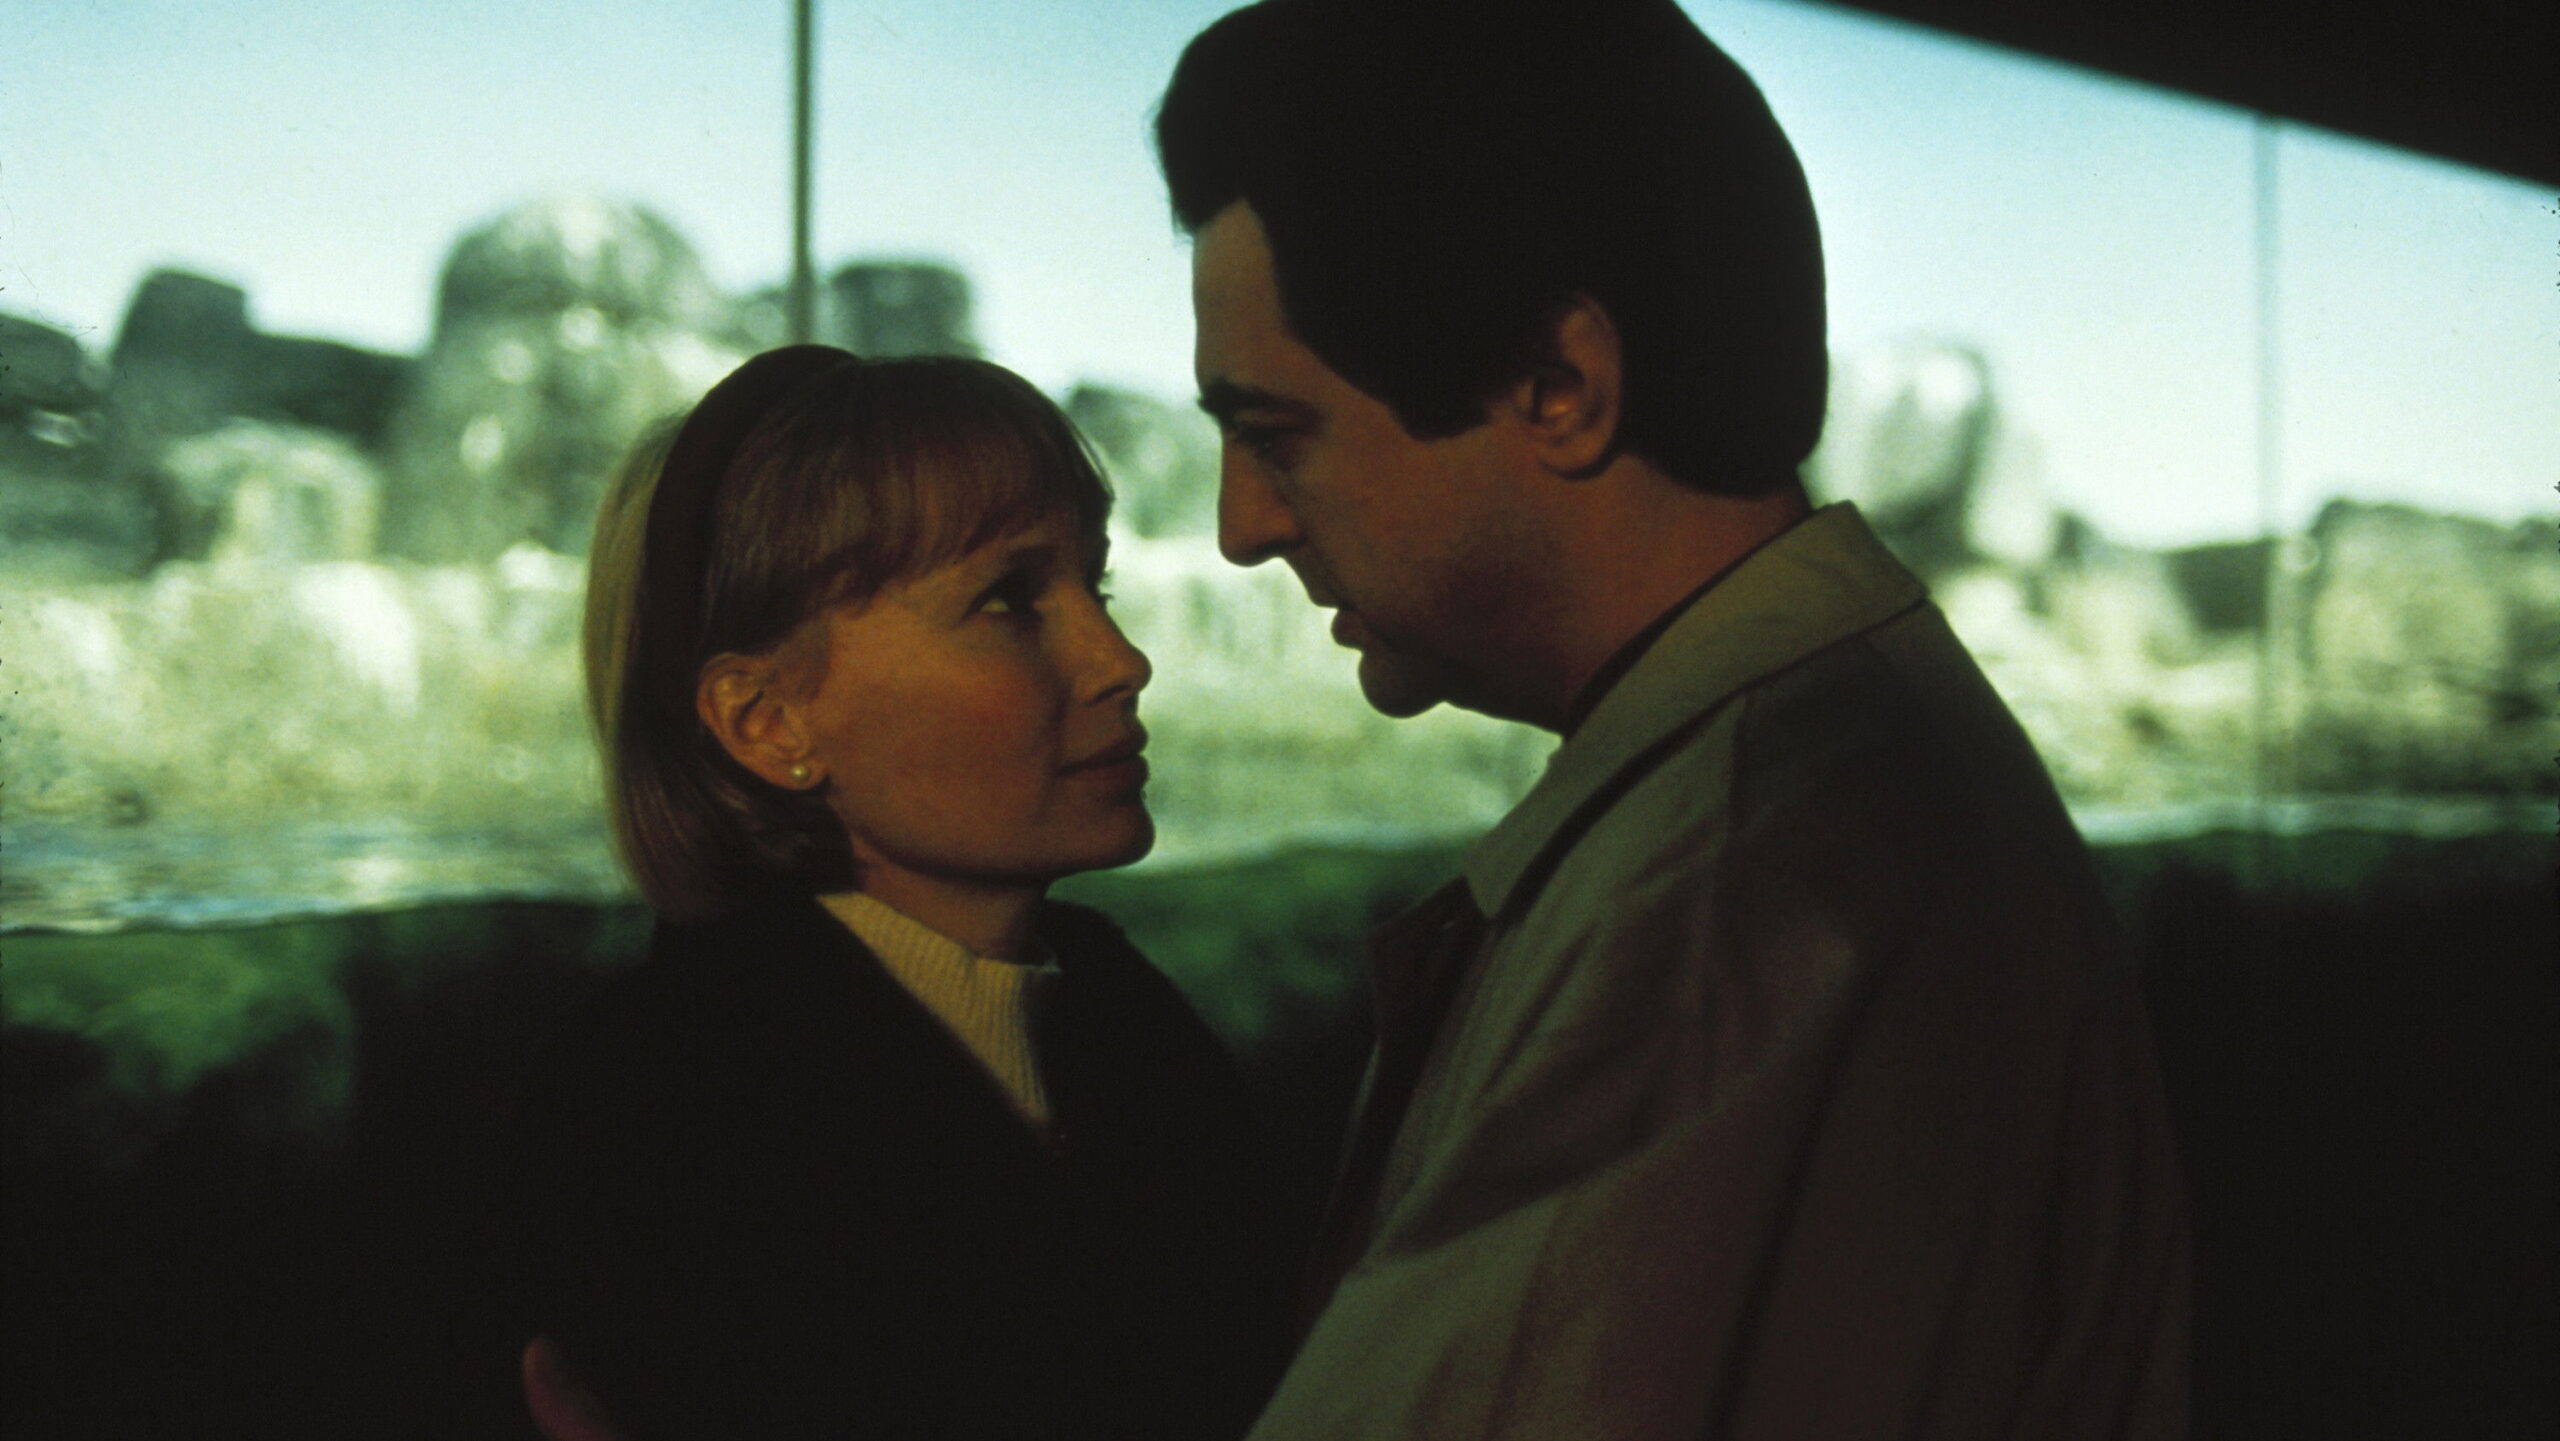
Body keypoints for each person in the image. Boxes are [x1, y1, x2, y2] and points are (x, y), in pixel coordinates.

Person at [1156, 1, 2190, 1436]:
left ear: (1559, 387)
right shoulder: (1814, 775)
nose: (1240, 528)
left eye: (1277, 436)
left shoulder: (1727, 899)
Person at [501, 346, 1291, 1441]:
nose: (1120, 659)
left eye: (1094, 583)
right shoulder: (658, 1122)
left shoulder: (1131, 1028)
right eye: (1009, 600)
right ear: (767, 721)